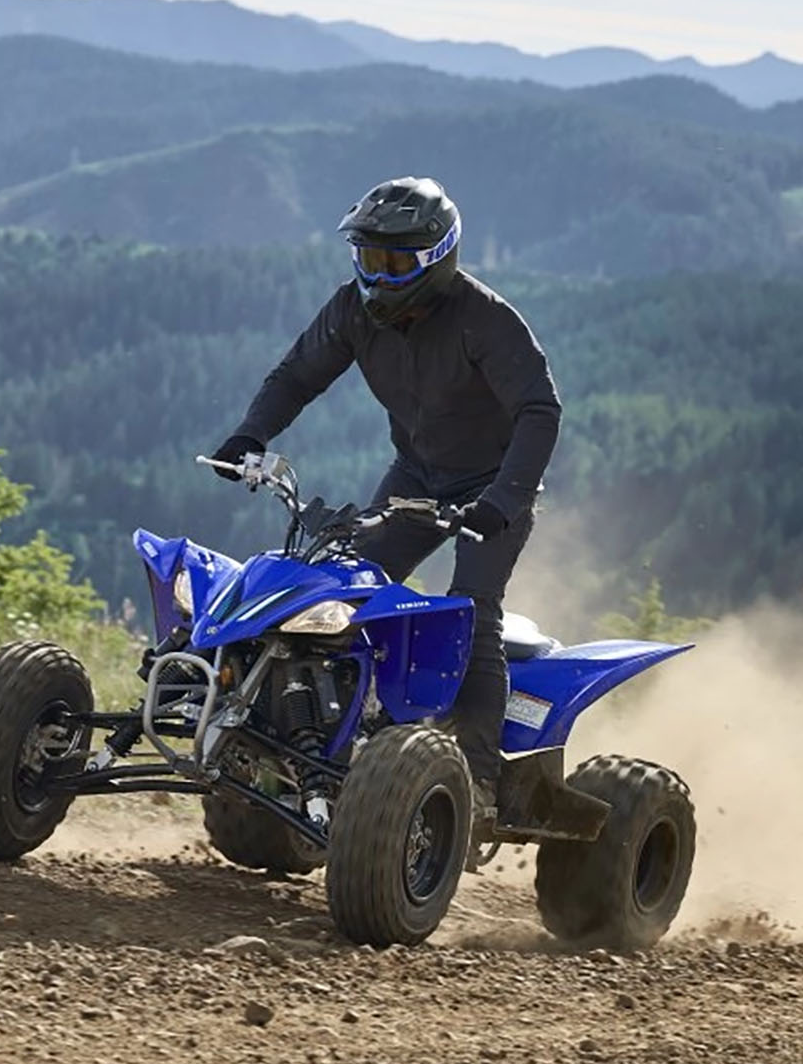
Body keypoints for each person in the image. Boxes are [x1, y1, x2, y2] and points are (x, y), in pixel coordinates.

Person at [209, 176, 562, 808]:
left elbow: (540, 409)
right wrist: (249, 435)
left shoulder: (486, 321)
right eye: (369, 257)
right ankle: (334, 747)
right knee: (344, 597)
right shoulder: (352, 309)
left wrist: (505, 499)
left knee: (471, 611)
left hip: (493, 488)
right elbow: (297, 374)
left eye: (393, 260)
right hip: (415, 476)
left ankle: (475, 780)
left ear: (435, 257)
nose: (377, 272)